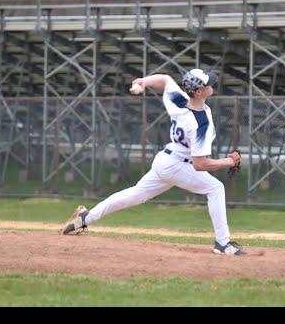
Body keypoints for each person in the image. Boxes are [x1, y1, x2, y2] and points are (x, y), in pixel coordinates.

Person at [60, 69, 246, 256]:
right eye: (208, 84)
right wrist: (229, 161)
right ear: (198, 92)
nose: (212, 85)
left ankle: (86, 217)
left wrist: (143, 81)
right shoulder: (200, 123)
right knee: (215, 188)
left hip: (167, 160)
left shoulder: (179, 100)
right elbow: (200, 165)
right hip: (178, 165)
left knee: (136, 195)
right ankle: (222, 243)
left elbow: (165, 79)